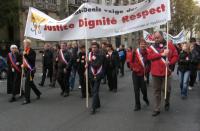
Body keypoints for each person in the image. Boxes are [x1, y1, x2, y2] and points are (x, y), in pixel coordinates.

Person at [147, 31, 178, 116]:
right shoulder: (151, 47)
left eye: (158, 37)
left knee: (166, 90)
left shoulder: (169, 45)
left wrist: (170, 62)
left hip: (166, 72)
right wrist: (161, 54)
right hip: (155, 73)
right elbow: (149, 57)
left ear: (162, 36)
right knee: (156, 91)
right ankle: (157, 108)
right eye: (155, 38)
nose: (156, 39)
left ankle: (167, 102)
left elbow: (176, 55)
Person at [129, 39, 149, 111]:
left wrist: (147, 69)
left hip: (143, 74)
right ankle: (137, 105)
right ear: (139, 44)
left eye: (144, 44)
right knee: (136, 90)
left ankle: (145, 97)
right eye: (141, 44)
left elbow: (149, 63)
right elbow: (130, 61)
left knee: (144, 89)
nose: (143, 45)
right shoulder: (134, 52)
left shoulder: (147, 52)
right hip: (135, 74)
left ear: (146, 45)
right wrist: (133, 68)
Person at [22, 39, 41, 105]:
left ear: (29, 44)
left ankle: (27, 99)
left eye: (25, 43)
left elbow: (32, 61)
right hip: (26, 69)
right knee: (30, 83)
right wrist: (23, 64)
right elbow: (25, 61)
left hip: (31, 70)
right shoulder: (25, 51)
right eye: (24, 43)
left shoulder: (32, 51)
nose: (24, 45)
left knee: (27, 83)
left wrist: (25, 55)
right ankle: (38, 93)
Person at [88, 42, 104, 114]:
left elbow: (96, 65)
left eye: (95, 47)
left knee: (95, 91)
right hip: (91, 74)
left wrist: (89, 62)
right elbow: (89, 65)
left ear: (98, 48)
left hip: (98, 75)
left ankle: (93, 107)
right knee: (94, 90)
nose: (93, 49)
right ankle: (98, 104)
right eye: (92, 47)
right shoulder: (89, 54)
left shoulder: (101, 55)